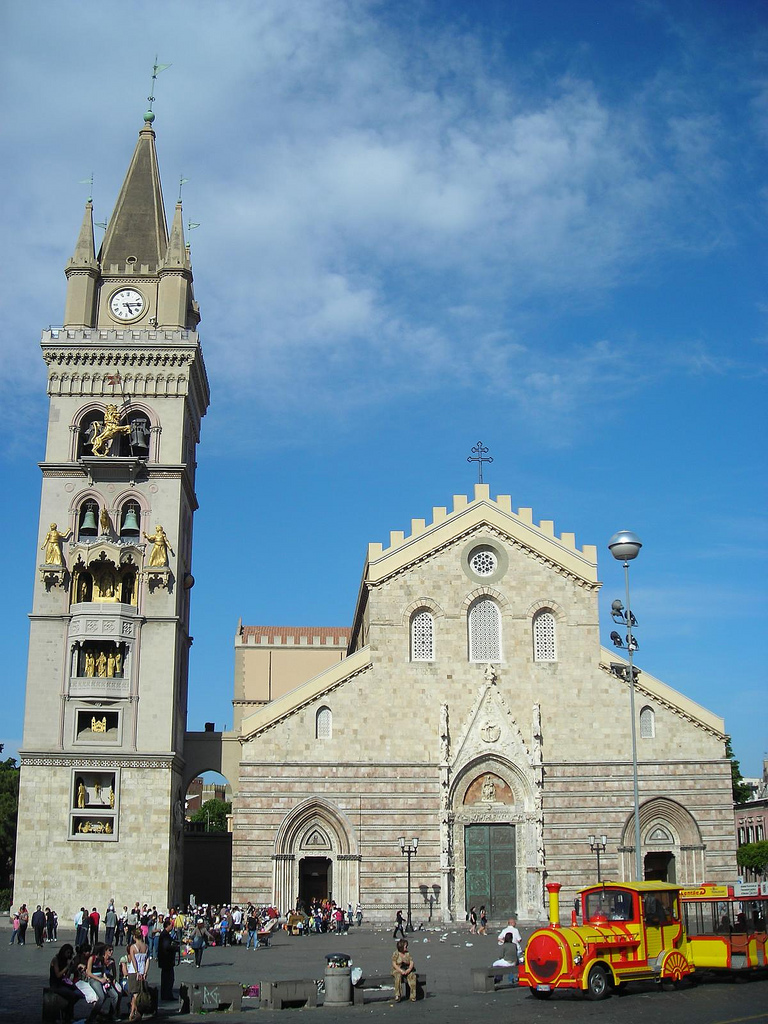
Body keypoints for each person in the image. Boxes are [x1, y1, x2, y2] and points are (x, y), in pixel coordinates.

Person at [49, 943, 87, 1020]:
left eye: (70, 953)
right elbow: (58, 975)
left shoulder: (66, 960)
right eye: (67, 953)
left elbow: (66, 977)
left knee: (79, 993)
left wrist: (71, 968)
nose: (68, 954)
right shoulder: (55, 960)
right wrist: (67, 967)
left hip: (63, 982)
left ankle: (67, 1010)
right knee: (71, 995)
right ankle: (67, 1013)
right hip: (55, 984)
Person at [126, 928, 150, 1021]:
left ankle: (135, 1013)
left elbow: (133, 960)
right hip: (143, 970)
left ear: (134, 936)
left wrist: (136, 971)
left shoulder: (133, 947)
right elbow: (147, 960)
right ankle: (134, 1013)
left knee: (135, 994)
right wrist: (145, 972)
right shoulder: (146, 946)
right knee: (139, 993)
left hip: (133, 971)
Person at [157, 916, 179, 1001]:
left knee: (166, 978)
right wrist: (174, 948)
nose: (172, 927)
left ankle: (166, 994)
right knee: (168, 979)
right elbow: (166, 946)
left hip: (165, 960)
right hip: (166, 960)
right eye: (171, 925)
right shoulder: (165, 935)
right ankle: (167, 995)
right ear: (168, 926)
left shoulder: (164, 934)